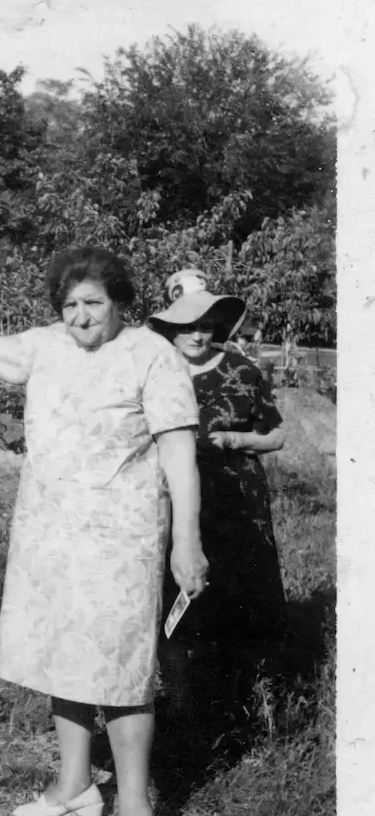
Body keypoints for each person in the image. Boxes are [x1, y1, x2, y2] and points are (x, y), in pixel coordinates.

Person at [0, 246, 208, 816]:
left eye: (93, 303)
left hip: (121, 541)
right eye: (70, 304)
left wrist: (188, 541)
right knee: (61, 653)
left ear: (120, 302)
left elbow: (179, 454)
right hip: (49, 532)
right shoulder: (46, 345)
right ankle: (74, 787)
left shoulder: (152, 355)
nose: (80, 316)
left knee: (124, 673)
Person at [146, 270, 288, 699]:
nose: (196, 335)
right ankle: (178, 692)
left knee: (235, 586)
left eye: (205, 325)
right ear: (171, 328)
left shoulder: (242, 371)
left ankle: (242, 690)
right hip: (170, 493)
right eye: (186, 326)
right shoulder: (153, 369)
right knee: (174, 588)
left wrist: (234, 439)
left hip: (233, 496)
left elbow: (276, 434)